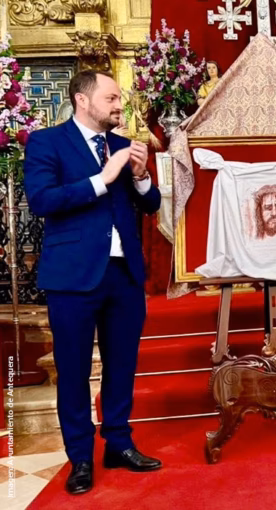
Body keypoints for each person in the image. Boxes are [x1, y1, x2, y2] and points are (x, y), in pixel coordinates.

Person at [23, 70, 163, 495]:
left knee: (122, 364)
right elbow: (42, 201)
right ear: (83, 100)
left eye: (119, 98)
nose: (119, 105)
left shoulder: (122, 145)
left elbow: (151, 204)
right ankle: (80, 456)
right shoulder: (47, 143)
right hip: (72, 277)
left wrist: (139, 176)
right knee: (74, 370)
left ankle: (118, 443)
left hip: (123, 275)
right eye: (111, 98)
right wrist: (103, 179)